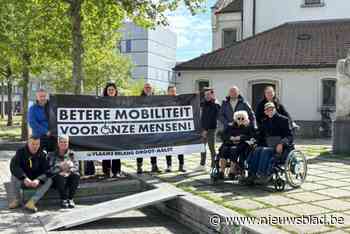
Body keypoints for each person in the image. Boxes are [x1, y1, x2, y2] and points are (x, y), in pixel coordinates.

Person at [247, 102, 294, 180]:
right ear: (265, 112)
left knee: (265, 150)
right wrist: (254, 141)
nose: (270, 111)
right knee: (257, 149)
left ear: (275, 109)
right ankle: (252, 174)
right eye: (267, 110)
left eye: (271, 109)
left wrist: (282, 143)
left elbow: (289, 136)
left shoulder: (284, 119)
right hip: (268, 145)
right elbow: (260, 135)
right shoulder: (264, 121)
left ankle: (262, 174)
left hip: (281, 147)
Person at [9, 136, 51, 212]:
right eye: (33, 144)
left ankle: (31, 202)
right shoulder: (20, 152)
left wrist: (39, 179)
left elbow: (47, 171)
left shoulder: (43, 154)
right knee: (14, 176)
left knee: (49, 180)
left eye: (37, 144)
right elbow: (14, 167)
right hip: (24, 179)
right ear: (28, 143)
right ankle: (17, 200)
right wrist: (24, 178)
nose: (35, 146)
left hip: (36, 179)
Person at [218, 110, 256, 179]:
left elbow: (252, 136)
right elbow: (223, 135)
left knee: (234, 150)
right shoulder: (230, 126)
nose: (241, 120)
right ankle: (222, 171)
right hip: (229, 143)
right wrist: (230, 137)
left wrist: (240, 137)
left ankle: (232, 171)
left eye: (243, 118)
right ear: (235, 119)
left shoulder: (248, 127)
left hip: (241, 144)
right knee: (224, 149)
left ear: (246, 119)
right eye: (239, 118)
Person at [48, 135, 80, 208]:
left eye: (65, 142)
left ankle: (71, 199)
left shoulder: (72, 154)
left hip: (69, 176)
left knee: (76, 175)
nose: (63, 144)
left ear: (68, 143)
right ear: (58, 143)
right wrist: (60, 169)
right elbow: (50, 169)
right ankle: (64, 199)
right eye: (61, 142)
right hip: (57, 178)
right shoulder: (52, 154)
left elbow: (76, 166)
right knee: (60, 176)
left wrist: (69, 171)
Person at [101, 82, 125, 178]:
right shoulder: (101, 101)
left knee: (116, 150)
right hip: (105, 130)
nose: (111, 91)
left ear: (115, 91)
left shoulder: (120, 102)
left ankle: (116, 171)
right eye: (109, 90)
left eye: (112, 90)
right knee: (105, 150)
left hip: (117, 130)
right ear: (106, 91)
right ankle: (106, 171)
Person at [136, 83, 161, 174]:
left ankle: (154, 166)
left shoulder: (156, 99)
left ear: (152, 89)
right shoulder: (138, 99)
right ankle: (139, 166)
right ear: (143, 89)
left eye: (149, 87)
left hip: (153, 127)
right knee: (140, 148)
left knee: (153, 147)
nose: (148, 89)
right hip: (141, 128)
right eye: (146, 87)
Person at [197, 87, 220, 170]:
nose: (207, 96)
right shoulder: (203, 103)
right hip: (203, 129)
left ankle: (213, 166)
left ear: (212, 94)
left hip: (211, 129)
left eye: (209, 94)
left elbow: (212, 118)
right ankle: (202, 165)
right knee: (202, 147)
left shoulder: (215, 104)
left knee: (211, 148)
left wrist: (206, 130)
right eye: (205, 94)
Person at [165, 86, 186, 172]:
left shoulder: (180, 100)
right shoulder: (164, 101)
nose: (173, 92)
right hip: (167, 128)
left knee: (179, 148)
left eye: (174, 91)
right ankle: (169, 166)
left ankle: (181, 165)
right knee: (168, 148)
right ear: (168, 92)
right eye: (171, 91)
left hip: (178, 128)